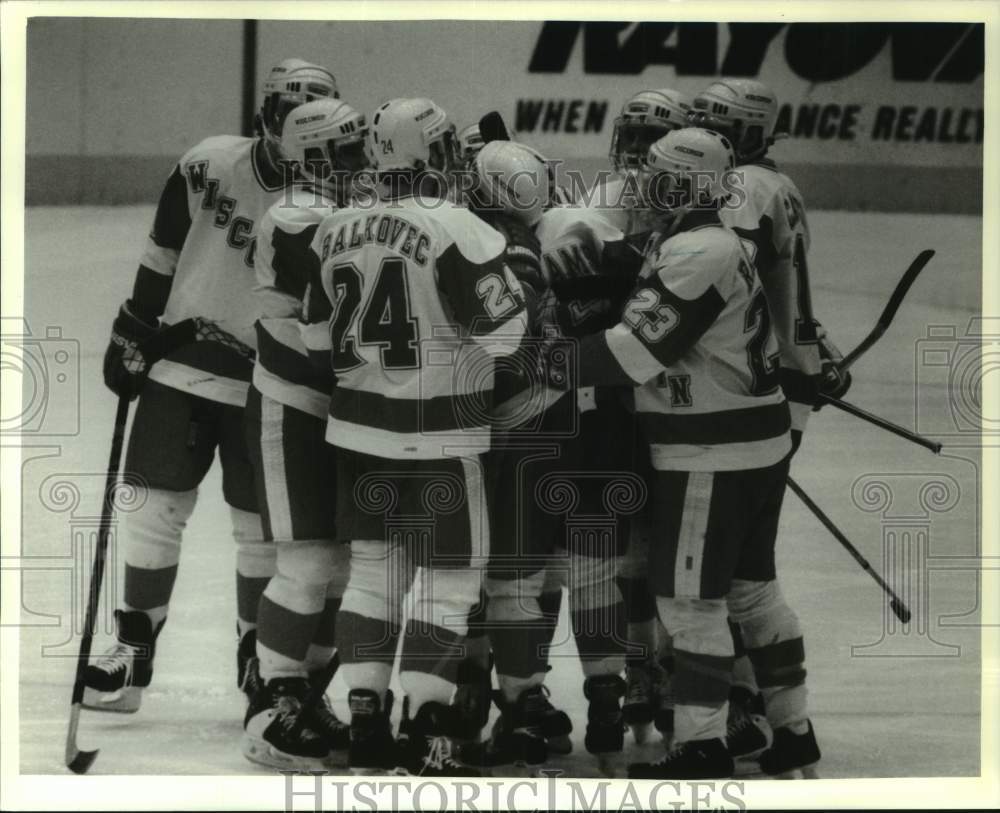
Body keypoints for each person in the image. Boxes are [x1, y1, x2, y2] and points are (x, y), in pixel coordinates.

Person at [546, 127, 808, 779]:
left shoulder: (696, 252)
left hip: (712, 453)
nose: (643, 185)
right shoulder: (709, 238)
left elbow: (630, 356)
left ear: (686, 186)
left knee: (690, 604)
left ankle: (701, 743)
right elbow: (642, 266)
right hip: (755, 440)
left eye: (659, 177)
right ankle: (793, 726)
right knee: (753, 592)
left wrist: (542, 363)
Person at [85, 58, 339, 714]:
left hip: (273, 384)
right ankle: (132, 650)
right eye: (287, 112)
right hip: (183, 362)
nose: (297, 129)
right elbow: (163, 248)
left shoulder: (342, 199)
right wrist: (135, 325)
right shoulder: (210, 163)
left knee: (260, 532)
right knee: (150, 508)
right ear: (266, 115)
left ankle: (256, 660)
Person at [303, 97, 531, 777]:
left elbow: (316, 335)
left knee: (373, 572)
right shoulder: (462, 229)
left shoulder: (333, 228)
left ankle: (365, 713)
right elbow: (508, 334)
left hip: (356, 432)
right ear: (432, 154)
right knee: (448, 578)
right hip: (440, 436)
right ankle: (430, 720)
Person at [688, 78, 845, 776]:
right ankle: (786, 721)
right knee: (751, 573)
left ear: (741, 131)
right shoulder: (775, 182)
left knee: (710, 574)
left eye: (714, 122)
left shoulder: (741, 187)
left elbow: (721, 281)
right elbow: (776, 289)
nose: (704, 130)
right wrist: (817, 348)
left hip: (749, 396)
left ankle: (743, 708)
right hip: (788, 387)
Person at [242, 98, 369, 770]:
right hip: (294, 404)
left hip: (338, 404)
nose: (364, 163)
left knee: (343, 564)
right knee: (309, 561)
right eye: (347, 152)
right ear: (314, 155)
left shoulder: (339, 209)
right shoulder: (297, 216)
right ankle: (273, 707)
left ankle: (304, 694)